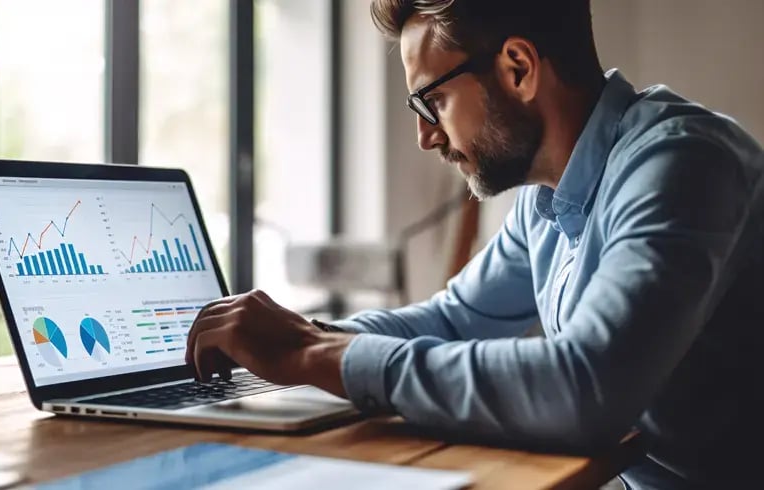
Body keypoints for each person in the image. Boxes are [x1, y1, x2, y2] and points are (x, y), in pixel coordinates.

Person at [186, 1, 763, 487]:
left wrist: (314, 355)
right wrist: (295, 338)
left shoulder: (685, 162)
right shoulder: (547, 199)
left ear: (518, 69)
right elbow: (457, 319)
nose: (425, 136)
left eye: (430, 100)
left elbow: (586, 387)